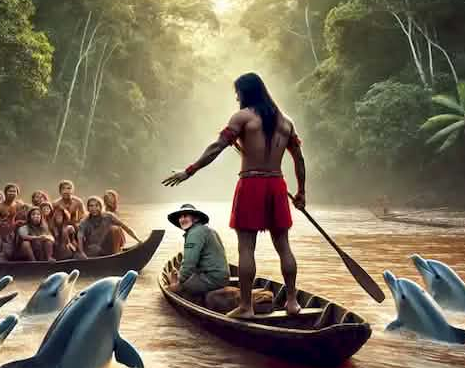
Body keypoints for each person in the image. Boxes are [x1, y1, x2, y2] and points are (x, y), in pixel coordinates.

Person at [162, 72, 306, 318]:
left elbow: (217, 147)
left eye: (237, 92)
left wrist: (189, 171)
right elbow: (299, 159)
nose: (236, 96)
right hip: (277, 184)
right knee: (284, 247)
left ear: (246, 92)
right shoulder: (286, 122)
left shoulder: (243, 117)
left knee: (246, 248)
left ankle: (246, 307)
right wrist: (301, 192)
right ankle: (292, 302)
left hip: (251, 183)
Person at [165, 204, 230, 303]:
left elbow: (189, 262)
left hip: (212, 278)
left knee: (172, 289)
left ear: (195, 219)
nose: (182, 219)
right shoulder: (207, 230)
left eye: (186, 216)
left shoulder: (194, 233)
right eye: (180, 217)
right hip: (222, 276)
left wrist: (179, 281)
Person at [76, 196, 141, 259]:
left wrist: (138, 240)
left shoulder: (108, 216)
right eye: (91, 206)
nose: (94, 209)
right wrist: (81, 252)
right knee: (94, 249)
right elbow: (80, 237)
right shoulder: (84, 221)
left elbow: (126, 228)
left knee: (115, 229)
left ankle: (115, 255)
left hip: (106, 246)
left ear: (101, 207)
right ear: (88, 208)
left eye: (96, 206)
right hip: (93, 249)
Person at [0, 183, 22, 261]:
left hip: (14, 233)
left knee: (11, 254)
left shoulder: (19, 205)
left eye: (14, 191)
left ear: (17, 194)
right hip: (1, 234)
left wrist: (18, 223)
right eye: (10, 191)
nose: (12, 193)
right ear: (5, 193)